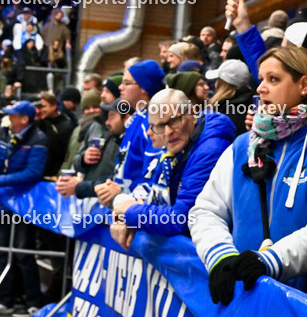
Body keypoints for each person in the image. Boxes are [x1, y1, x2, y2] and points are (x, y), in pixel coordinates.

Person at [189, 47, 307, 308]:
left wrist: (270, 261)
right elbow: (205, 210)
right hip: (246, 297)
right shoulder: (242, 145)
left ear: (304, 85)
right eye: (261, 79)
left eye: (273, 79)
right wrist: (220, 255)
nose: (261, 88)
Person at [109, 89, 234, 246]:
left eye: (174, 121)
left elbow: (182, 219)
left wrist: (131, 212)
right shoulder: (180, 144)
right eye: (160, 126)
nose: (168, 132)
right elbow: (153, 193)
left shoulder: (210, 150)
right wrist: (126, 210)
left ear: (193, 113)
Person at [0, 100, 48, 312]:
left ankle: (33, 301)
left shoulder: (38, 139)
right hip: (4, 202)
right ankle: (4, 299)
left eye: (13, 115)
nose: (9, 118)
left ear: (25, 119)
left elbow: (33, 173)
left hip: (26, 205)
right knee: (1, 252)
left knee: (23, 253)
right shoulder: (6, 135)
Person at [96, 60, 166, 206]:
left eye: (127, 83)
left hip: (139, 210)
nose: (120, 87)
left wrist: (122, 196)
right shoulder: (136, 118)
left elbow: (154, 176)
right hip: (125, 205)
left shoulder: (154, 122)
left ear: (144, 88)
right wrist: (112, 186)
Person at [60, 98, 127, 199]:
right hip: (89, 196)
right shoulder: (95, 126)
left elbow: (118, 178)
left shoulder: (126, 138)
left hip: (110, 197)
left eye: (112, 116)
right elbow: (76, 160)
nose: (103, 95)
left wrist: (80, 187)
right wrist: (83, 159)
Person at [203, 60, 254, 135]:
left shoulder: (227, 110)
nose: (216, 84)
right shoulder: (250, 101)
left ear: (223, 84)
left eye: (218, 80)